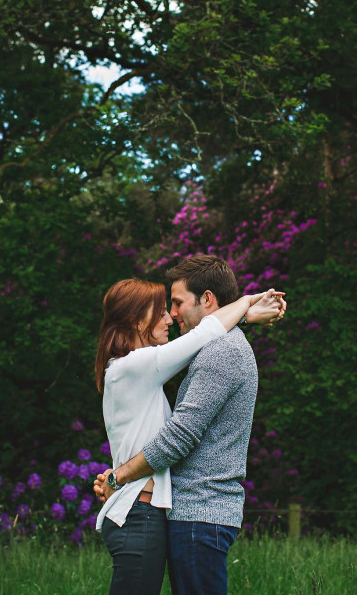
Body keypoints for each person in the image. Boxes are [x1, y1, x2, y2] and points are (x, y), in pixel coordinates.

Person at [95, 255, 285, 595]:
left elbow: (178, 438)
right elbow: (208, 332)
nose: (172, 314)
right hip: (171, 511)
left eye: (178, 303)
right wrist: (246, 307)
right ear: (138, 321)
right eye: (165, 308)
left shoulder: (219, 352)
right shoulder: (139, 364)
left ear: (208, 299)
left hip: (200, 511)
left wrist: (117, 476)